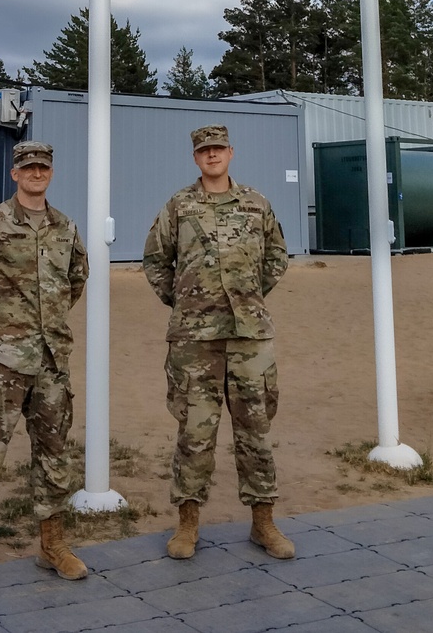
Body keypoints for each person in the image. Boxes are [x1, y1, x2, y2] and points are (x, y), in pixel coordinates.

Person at [142, 124, 294, 561]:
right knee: (194, 434)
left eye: (218, 149)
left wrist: (249, 297)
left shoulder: (256, 204)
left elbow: (277, 256)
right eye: (204, 151)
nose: (212, 156)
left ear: (231, 153)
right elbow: (155, 259)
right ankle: (187, 525)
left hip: (249, 338)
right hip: (195, 340)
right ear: (196, 158)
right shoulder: (179, 206)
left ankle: (263, 523)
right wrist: (183, 301)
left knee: (256, 434)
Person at [0, 141, 89, 597]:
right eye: (28, 167)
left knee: (54, 456)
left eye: (43, 167)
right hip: (1, 361)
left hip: (51, 361)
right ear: (14, 174)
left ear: (51, 172)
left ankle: (52, 546)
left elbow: (76, 280)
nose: (36, 173)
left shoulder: (65, 227)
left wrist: (49, 326)